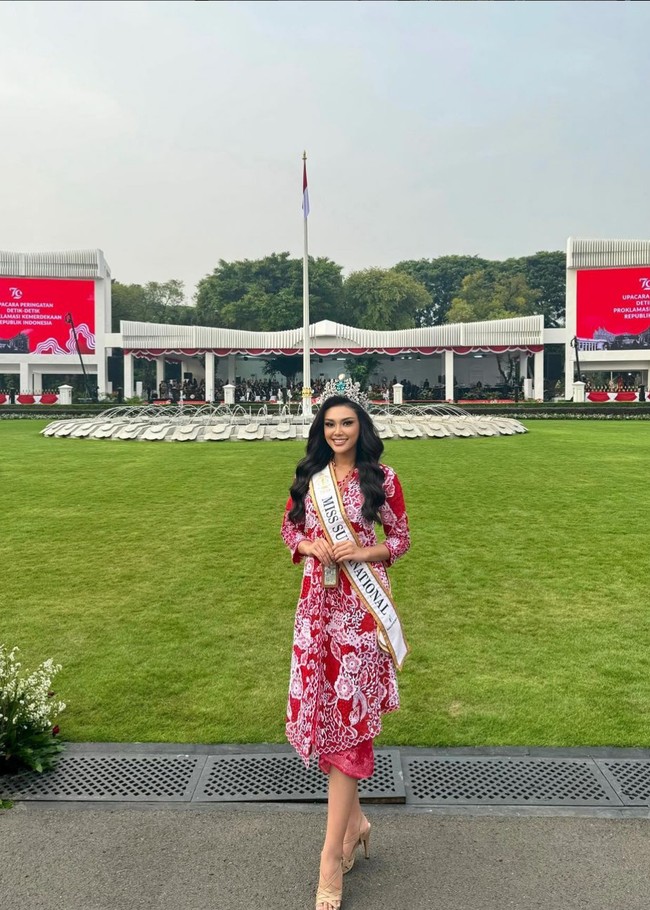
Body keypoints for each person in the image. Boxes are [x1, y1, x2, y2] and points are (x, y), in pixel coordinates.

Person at [281, 394, 411, 910]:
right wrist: (309, 546)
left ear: (362, 427)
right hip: (316, 611)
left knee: (349, 724)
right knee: (327, 721)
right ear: (321, 429)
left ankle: (330, 856)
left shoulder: (384, 478)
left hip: (359, 613)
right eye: (330, 424)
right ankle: (356, 822)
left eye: (347, 423)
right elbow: (289, 529)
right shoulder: (309, 477)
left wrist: (361, 549)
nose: (338, 432)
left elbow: (399, 541)